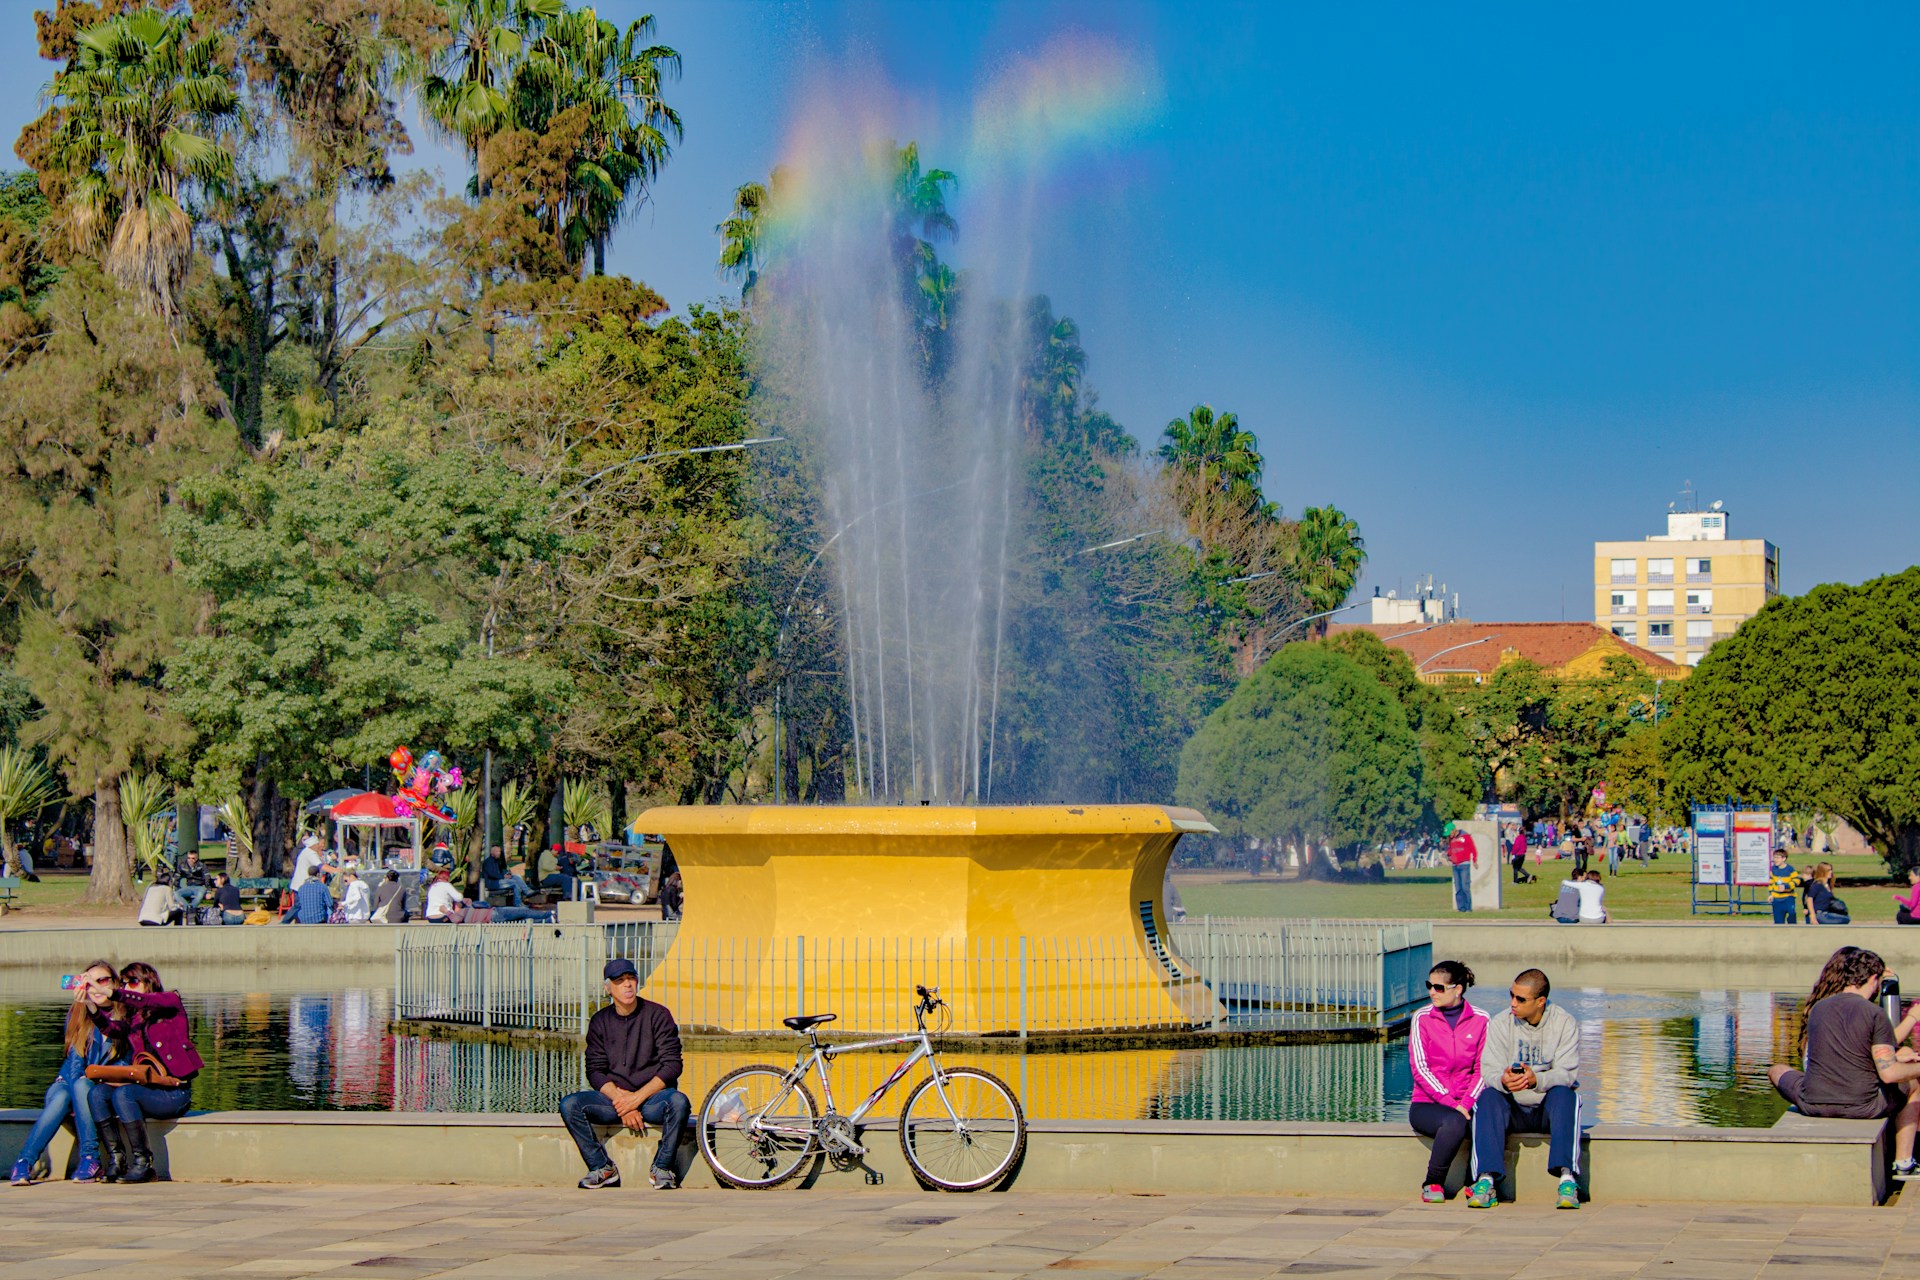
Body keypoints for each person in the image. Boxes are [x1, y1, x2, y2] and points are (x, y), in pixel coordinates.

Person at [1768, 947, 1920, 1180]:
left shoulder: (1819, 1009)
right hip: (1862, 1106)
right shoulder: (1874, 1013)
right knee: (1913, 1083)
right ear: (1873, 979)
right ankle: (1903, 1164)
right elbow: (1889, 1074)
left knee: (1777, 1070)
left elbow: (1844, 1054)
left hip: (1813, 1102)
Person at [559, 958, 691, 1190]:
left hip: (652, 1099)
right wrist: (622, 1100)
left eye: (631, 979)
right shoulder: (600, 1021)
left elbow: (672, 1066)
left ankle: (662, 1167)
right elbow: (595, 1070)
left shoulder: (658, 1015)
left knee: (679, 1102)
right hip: (615, 1099)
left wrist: (636, 1099)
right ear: (608, 988)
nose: (627, 985)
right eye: (619, 981)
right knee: (570, 1105)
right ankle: (601, 1167)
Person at [1468, 968, 1582, 1210]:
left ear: (1540, 1002)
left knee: (1566, 1095)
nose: (1513, 1003)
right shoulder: (1500, 1023)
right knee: (1488, 1096)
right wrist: (1503, 1080)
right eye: (1511, 995)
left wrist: (1536, 1080)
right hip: (1512, 1109)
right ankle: (1486, 1181)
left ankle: (1567, 1180)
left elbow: (1567, 1073)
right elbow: (1488, 1070)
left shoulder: (1564, 1023)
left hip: (1546, 1109)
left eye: (1520, 999)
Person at [86, 961, 204, 1184]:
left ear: (148, 981)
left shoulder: (170, 1002)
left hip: (175, 1093)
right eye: (124, 983)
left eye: (133, 981)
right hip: (148, 1090)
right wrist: (92, 1007)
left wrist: (111, 992)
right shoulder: (134, 1018)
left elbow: (146, 1000)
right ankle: (116, 1160)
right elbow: (112, 1029)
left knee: (124, 1094)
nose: (127, 987)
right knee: (97, 1094)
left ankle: (144, 1164)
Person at [9, 960, 122, 1185]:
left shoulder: (124, 1016)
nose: (96, 988)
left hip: (100, 1084)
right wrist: (77, 1095)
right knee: (64, 1093)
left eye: (102, 980)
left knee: (80, 1087)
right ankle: (25, 1161)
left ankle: (90, 1157)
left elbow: (123, 1062)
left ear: (114, 983)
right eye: (89, 982)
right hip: (69, 1081)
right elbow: (74, 1063)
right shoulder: (77, 1014)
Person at [1409, 960, 1489, 1202]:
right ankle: (1433, 1182)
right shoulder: (1421, 1017)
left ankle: (1475, 1183)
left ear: (1458, 989)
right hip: (1428, 1104)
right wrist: (1449, 1102)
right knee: (1455, 1122)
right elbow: (1419, 1068)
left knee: (1488, 1117)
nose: (1432, 991)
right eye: (1429, 986)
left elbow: (1483, 1069)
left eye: (1439, 987)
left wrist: (1465, 1102)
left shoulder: (1481, 1019)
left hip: (1467, 1101)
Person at [1445, 822, 1477, 913]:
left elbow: (1472, 848)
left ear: (1453, 830)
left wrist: (1474, 859)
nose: (1449, 835)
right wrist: (1449, 854)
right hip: (1455, 865)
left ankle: (1468, 908)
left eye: (1449, 833)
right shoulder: (1451, 839)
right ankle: (1461, 907)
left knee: (1465, 886)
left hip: (1464, 864)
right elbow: (1451, 849)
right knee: (1458, 888)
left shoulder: (1465, 836)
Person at [1769, 848, 1803, 925]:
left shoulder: (1790, 869)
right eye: (1774, 857)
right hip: (1777, 898)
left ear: (1784, 859)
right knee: (1778, 921)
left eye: (1777, 858)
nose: (1775, 860)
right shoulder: (1773, 869)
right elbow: (1771, 882)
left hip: (1788, 897)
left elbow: (1797, 880)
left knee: (1792, 914)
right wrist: (1771, 894)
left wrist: (1787, 886)